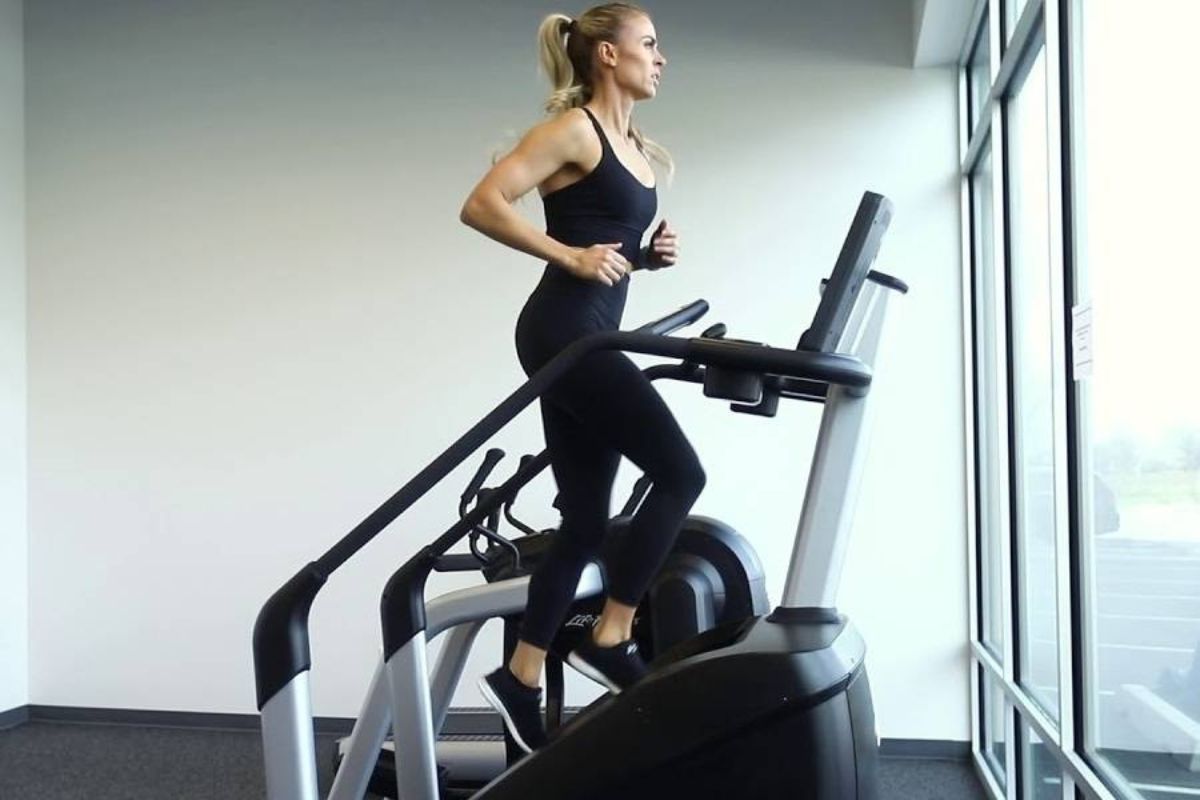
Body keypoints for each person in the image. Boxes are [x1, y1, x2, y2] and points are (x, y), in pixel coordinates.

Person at [458, 3, 706, 753]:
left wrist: (648, 252)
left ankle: (522, 674)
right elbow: (481, 204)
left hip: (593, 334)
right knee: (679, 473)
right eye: (650, 44)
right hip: (564, 332)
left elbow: (604, 240)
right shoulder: (575, 130)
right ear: (606, 53)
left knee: (588, 522)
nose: (661, 58)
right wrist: (569, 258)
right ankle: (613, 631)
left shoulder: (634, 145)